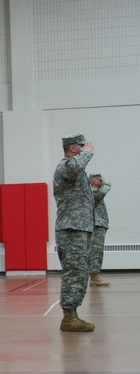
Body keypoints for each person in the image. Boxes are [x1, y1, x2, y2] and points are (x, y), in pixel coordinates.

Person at [53, 134, 97, 332]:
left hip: (80, 228)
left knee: (80, 273)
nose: (85, 147)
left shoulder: (77, 171)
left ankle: (73, 315)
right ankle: (69, 317)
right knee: (74, 273)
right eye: (82, 145)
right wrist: (88, 152)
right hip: (72, 229)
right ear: (73, 149)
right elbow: (74, 168)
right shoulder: (66, 166)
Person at [89, 174, 112, 287]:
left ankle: (95, 276)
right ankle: (94, 277)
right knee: (95, 251)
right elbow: (99, 195)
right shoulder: (91, 190)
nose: (101, 180)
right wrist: (107, 184)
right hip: (95, 224)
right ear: (93, 181)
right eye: (99, 179)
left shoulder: (93, 190)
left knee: (97, 251)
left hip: (99, 224)